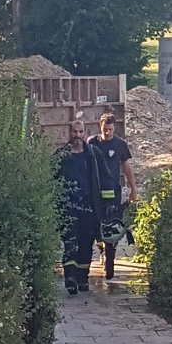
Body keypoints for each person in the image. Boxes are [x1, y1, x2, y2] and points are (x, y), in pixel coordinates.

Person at [54, 119, 115, 295]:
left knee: (86, 244)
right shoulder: (61, 155)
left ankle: (82, 278)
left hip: (89, 208)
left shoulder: (93, 155)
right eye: (74, 132)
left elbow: (106, 178)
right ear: (69, 133)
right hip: (68, 208)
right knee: (70, 242)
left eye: (80, 132)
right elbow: (51, 179)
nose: (77, 135)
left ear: (85, 133)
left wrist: (109, 204)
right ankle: (70, 278)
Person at [88, 112, 137, 279]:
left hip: (113, 193)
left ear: (114, 128)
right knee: (96, 225)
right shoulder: (92, 143)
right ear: (100, 126)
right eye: (105, 129)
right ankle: (101, 249)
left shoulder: (120, 145)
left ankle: (110, 255)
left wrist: (133, 188)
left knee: (113, 225)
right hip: (96, 192)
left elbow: (126, 167)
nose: (107, 132)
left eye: (110, 129)